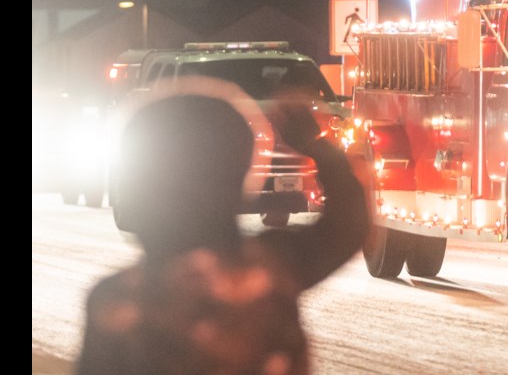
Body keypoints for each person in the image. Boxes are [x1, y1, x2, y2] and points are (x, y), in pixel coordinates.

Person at [76, 80, 369, 375]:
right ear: (242, 178)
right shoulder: (271, 273)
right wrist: (314, 144)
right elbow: (348, 220)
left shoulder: (118, 302)